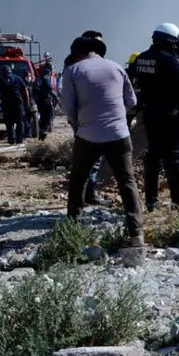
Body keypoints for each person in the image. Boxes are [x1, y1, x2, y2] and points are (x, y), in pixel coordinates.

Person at [60, 32, 144, 247]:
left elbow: (67, 107)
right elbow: (131, 101)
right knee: (127, 181)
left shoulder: (73, 71)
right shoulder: (116, 67)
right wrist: (116, 117)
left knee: (79, 180)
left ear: (77, 54)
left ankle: (72, 230)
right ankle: (136, 234)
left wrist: (78, 124)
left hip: (87, 135)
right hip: (119, 134)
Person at [131, 23, 179, 211]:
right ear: (170, 41)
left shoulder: (141, 58)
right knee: (173, 158)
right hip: (171, 114)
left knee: (153, 157)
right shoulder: (170, 60)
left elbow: (131, 81)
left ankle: (151, 201)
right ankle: (178, 202)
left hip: (150, 114)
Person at [64, 34, 107, 204]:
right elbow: (68, 100)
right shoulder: (74, 68)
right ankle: (87, 197)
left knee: (89, 160)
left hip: (89, 121)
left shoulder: (76, 66)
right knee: (90, 161)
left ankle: (84, 197)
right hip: (87, 121)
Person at [0, 66, 30, 145]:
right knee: (20, 122)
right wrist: (27, 102)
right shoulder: (17, 78)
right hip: (17, 103)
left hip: (6, 104)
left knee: (9, 123)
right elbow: (25, 90)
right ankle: (20, 139)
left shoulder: (0, 80)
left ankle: (11, 139)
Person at [34, 63, 59, 140]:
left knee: (43, 117)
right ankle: (43, 132)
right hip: (47, 102)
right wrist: (57, 99)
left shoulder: (38, 80)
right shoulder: (46, 79)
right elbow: (51, 90)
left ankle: (42, 132)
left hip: (40, 103)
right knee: (49, 117)